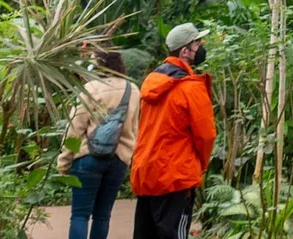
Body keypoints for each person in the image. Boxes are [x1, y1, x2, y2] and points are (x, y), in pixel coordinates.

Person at [130, 24, 214, 239]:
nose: (201, 47)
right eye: (197, 43)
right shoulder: (190, 87)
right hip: (176, 174)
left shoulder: (152, 83)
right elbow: (206, 135)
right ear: (185, 51)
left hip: (147, 171)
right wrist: (200, 166)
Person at [57, 49, 140, 239]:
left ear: (98, 64)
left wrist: (64, 161)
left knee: (80, 215)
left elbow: (75, 128)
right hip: (118, 159)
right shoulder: (133, 90)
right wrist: (128, 157)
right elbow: (135, 128)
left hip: (88, 158)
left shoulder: (91, 88)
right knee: (103, 215)